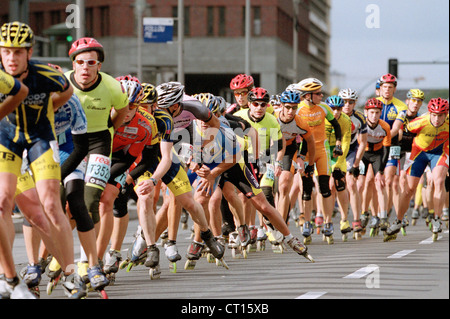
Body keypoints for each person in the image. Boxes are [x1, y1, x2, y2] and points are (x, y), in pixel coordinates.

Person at [0, 21, 79, 298]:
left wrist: (46, 111)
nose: (12, 58)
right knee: (3, 203)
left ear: (29, 52)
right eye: (6, 52)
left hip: (39, 140)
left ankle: (70, 272)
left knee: (49, 204)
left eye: (18, 52)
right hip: (7, 141)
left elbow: (67, 90)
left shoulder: (45, 74)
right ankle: (7, 275)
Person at [136, 81, 226, 270]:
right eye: (158, 106)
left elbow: (215, 124)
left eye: (166, 107)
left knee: (183, 200)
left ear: (177, 105)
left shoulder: (194, 107)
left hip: (184, 138)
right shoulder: (157, 113)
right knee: (163, 199)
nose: (159, 109)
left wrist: (200, 151)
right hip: (156, 145)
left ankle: (204, 236)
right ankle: (150, 241)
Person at [65, 37, 129, 249]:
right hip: (70, 142)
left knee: (91, 200)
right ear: (73, 64)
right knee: (61, 203)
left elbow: (122, 112)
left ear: (99, 66)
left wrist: (111, 127)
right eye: (80, 62)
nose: (85, 67)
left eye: (91, 63)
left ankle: (90, 262)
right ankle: (52, 259)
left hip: (98, 141)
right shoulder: (62, 84)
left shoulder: (112, 86)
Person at [385, 98, 448, 242]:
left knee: (438, 181)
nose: (437, 119)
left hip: (440, 153)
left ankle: (437, 218)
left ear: (446, 114)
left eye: (440, 115)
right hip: (418, 153)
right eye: (434, 115)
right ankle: (399, 220)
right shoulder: (420, 121)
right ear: (429, 113)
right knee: (409, 189)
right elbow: (403, 132)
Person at [296, 78, 342, 244]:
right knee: (307, 190)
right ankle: (307, 222)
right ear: (307, 96)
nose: (322, 95)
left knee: (325, 188)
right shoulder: (298, 110)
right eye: (318, 93)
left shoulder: (324, 107)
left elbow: (336, 126)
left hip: (322, 151)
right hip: (306, 153)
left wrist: (338, 143)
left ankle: (328, 223)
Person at [275, 90, 315, 226]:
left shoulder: (300, 123)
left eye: (294, 107)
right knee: (267, 189)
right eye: (287, 107)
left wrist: (303, 159)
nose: (291, 111)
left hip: (289, 149)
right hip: (270, 149)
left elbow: (310, 142)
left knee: (285, 184)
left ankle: (281, 223)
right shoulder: (272, 117)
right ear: (281, 106)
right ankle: (264, 225)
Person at [390, 89, 424, 226]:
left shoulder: (421, 117)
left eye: (419, 101)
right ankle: (395, 211)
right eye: (413, 100)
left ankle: (402, 214)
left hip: (412, 150)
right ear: (407, 101)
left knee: (405, 181)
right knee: (395, 181)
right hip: (398, 147)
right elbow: (395, 129)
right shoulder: (402, 114)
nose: (415, 104)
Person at [360, 98, 391, 237]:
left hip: (378, 154)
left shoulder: (385, 127)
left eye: (377, 112)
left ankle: (383, 216)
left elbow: (386, 151)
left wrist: (380, 171)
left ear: (380, 113)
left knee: (380, 183)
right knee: (363, 183)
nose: (374, 115)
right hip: (363, 153)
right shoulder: (361, 125)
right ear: (366, 112)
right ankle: (363, 212)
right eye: (371, 112)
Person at [338, 88, 367, 237]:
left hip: (351, 151)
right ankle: (343, 218)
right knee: (335, 184)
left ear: (355, 103)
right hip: (335, 151)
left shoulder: (360, 118)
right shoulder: (332, 116)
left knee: (351, 183)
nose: (347, 105)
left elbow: (363, 143)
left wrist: (356, 163)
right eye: (344, 102)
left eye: (351, 102)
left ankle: (356, 219)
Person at [324, 95, 353, 241]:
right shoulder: (322, 117)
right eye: (333, 109)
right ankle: (326, 220)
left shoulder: (346, 120)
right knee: (326, 186)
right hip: (323, 151)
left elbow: (346, 143)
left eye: (339, 109)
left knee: (340, 183)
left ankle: (344, 219)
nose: (335, 112)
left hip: (338, 152)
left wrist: (337, 162)